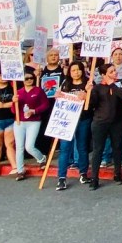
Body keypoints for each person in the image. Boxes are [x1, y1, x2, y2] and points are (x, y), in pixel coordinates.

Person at [88, 63, 122, 188]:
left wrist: (111, 83)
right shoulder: (98, 87)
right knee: (98, 150)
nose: (114, 73)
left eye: (114, 70)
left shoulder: (121, 82)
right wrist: (88, 91)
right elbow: (91, 104)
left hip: (117, 121)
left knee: (117, 148)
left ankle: (117, 173)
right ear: (103, 75)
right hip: (100, 122)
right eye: (111, 72)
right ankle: (94, 178)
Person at [52, 62, 91, 190]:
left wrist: (88, 96)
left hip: (83, 119)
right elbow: (59, 100)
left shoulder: (88, 84)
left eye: (79, 69)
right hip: (67, 121)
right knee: (65, 148)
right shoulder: (65, 84)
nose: (76, 72)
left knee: (82, 147)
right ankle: (62, 178)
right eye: (73, 70)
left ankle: (83, 173)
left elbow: (95, 100)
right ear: (69, 72)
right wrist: (57, 97)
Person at [11, 73, 49, 179]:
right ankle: (20, 170)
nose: (29, 80)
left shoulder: (38, 91)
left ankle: (41, 158)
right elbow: (14, 110)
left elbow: (45, 104)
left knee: (29, 146)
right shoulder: (18, 92)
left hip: (34, 121)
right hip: (19, 121)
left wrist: (35, 111)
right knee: (19, 147)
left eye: (31, 78)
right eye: (26, 78)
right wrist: (14, 102)